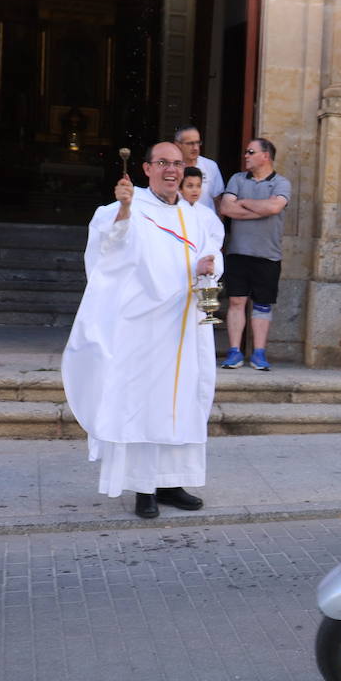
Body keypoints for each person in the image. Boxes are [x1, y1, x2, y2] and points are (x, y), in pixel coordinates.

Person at [62, 142, 222, 519]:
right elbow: (109, 248)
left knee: (181, 403)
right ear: (146, 169)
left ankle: (172, 482)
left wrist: (210, 267)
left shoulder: (199, 216)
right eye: (163, 163)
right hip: (144, 328)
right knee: (144, 405)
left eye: (178, 164)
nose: (171, 170)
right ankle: (143, 488)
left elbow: (212, 256)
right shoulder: (131, 209)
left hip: (186, 328)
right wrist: (124, 208)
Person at [218, 138, 292, 372]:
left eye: (251, 152)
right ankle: (234, 351)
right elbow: (227, 208)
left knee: (262, 305)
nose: (246, 156)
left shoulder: (281, 183)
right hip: (238, 252)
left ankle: (259, 353)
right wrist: (261, 208)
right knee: (236, 301)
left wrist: (245, 203)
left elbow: (274, 208)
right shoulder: (237, 179)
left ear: (266, 156)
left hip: (268, 255)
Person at [174, 125, 225, 211]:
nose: (195, 148)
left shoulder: (210, 166)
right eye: (190, 143)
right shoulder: (171, 168)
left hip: (206, 222)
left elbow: (217, 201)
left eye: (198, 143)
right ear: (178, 144)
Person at [181, 167, 224, 248]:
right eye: (190, 186)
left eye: (198, 186)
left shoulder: (208, 213)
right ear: (180, 189)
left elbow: (217, 237)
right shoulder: (173, 211)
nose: (195, 190)